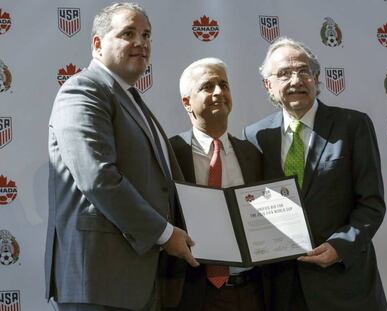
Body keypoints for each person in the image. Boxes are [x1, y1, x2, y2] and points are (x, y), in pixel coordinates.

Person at [44, 3, 198, 311]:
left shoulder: (132, 99)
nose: (141, 42)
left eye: (146, 34)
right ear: (98, 44)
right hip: (101, 281)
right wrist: (165, 233)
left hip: (138, 280)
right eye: (128, 33)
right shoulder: (83, 90)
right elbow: (97, 176)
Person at [243, 37, 387, 311]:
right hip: (282, 290)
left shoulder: (353, 125)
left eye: (303, 71)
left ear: (317, 78)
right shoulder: (255, 136)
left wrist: (339, 247)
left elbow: (371, 204)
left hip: (345, 287)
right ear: (268, 86)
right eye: (284, 74)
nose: (295, 80)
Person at [167, 58, 268, 311]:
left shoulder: (252, 154)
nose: (219, 92)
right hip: (192, 294)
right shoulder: (169, 153)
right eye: (207, 86)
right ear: (187, 102)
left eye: (224, 85)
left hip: (252, 291)